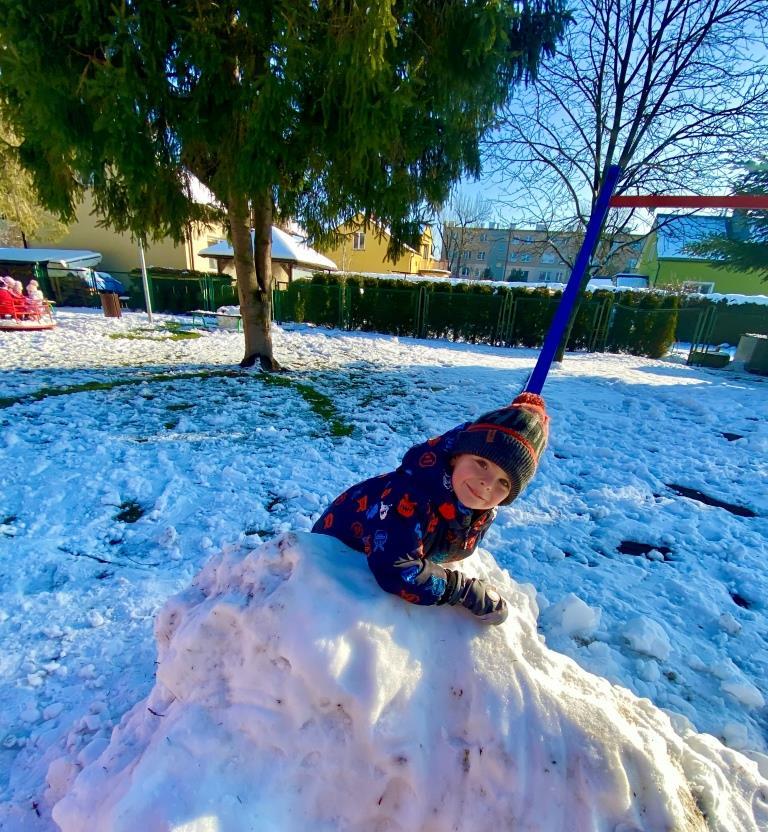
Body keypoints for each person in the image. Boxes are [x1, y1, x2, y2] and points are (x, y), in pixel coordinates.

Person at [312, 392, 549, 625]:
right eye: (482, 463)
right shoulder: (408, 498)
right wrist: (462, 590)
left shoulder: (476, 508)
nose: (487, 484)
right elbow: (396, 569)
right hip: (327, 572)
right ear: (456, 456)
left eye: (504, 482)